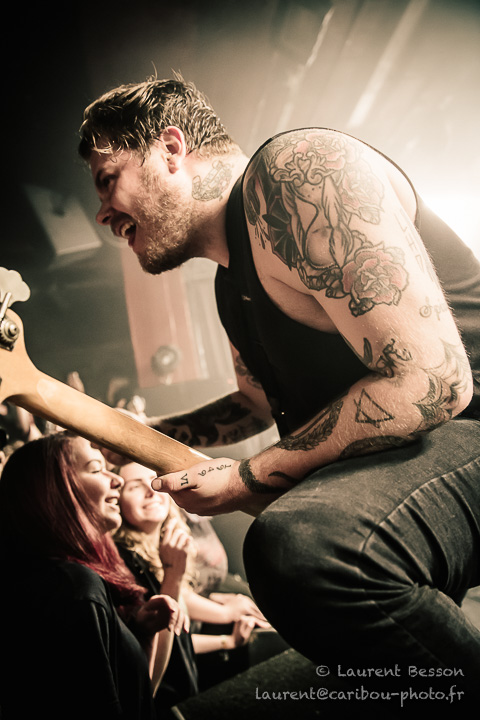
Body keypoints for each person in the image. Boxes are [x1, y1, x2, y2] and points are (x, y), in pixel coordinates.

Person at [78, 76, 480, 704]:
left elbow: (433, 381)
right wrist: (137, 438)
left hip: (467, 426)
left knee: (304, 547)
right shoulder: (229, 285)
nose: (102, 212)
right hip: (418, 459)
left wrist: (246, 478)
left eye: (108, 179)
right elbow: (254, 405)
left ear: (172, 149)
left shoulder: (295, 175)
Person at [0, 433, 187, 719]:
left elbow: (135, 697)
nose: (117, 480)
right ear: (54, 489)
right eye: (97, 469)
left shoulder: (71, 580)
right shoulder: (73, 589)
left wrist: (143, 634)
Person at [115, 461, 269, 699]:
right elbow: (155, 653)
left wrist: (227, 638)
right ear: (117, 502)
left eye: (154, 482)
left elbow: (181, 638)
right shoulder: (126, 564)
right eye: (135, 486)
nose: (151, 491)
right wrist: (224, 616)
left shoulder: (166, 545)